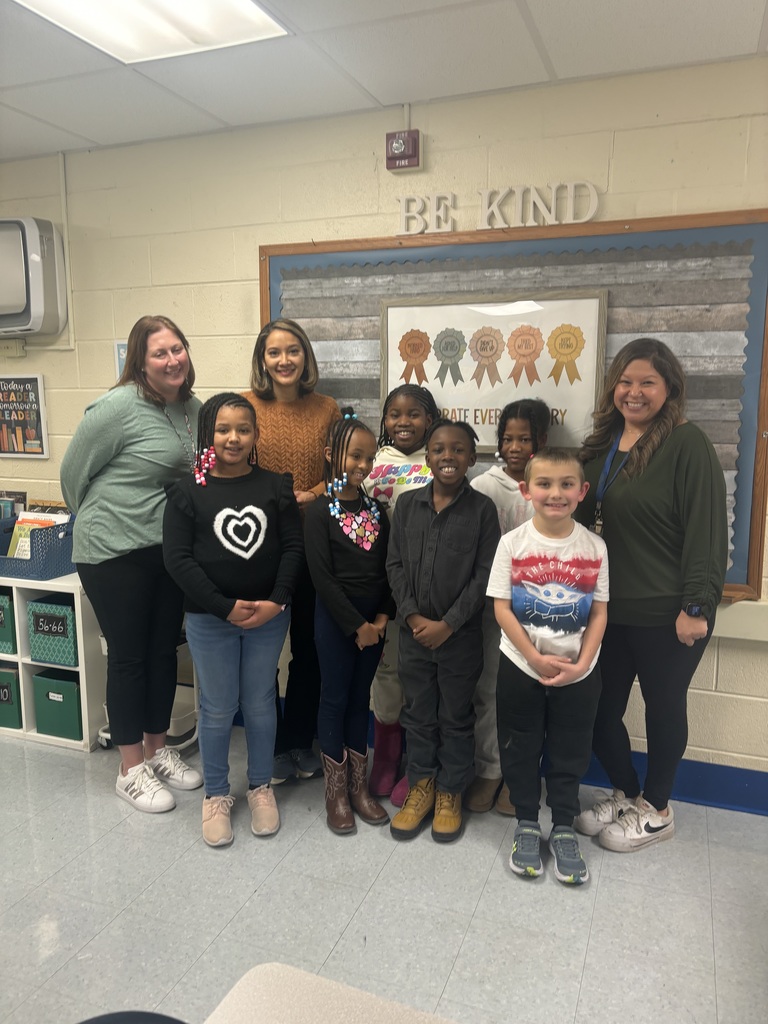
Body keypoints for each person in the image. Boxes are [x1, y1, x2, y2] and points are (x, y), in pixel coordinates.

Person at [574, 337, 727, 852]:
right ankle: (628, 792)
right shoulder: (600, 444)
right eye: (625, 381)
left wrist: (697, 606)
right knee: (598, 709)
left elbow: (707, 531)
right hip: (607, 610)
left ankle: (658, 809)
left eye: (647, 382)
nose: (634, 392)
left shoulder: (687, 444)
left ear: (670, 389)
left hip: (668, 612)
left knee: (663, 708)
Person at [60, 315, 203, 812]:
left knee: (164, 651)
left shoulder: (193, 409)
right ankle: (130, 769)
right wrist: (107, 517)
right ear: (139, 362)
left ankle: (158, 751)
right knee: (128, 656)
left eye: (177, 348)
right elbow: (73, 475)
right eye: (159, 352)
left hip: (166, 550)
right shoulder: (117, 408)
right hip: (111, 550)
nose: (172, 359)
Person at [163, 393, 303, 846]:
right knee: (218, 706)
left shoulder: (275, 486)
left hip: (268, 616)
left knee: (262, 700)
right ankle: (218, 794)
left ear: (255, 435)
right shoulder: (187, 492)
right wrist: (222, 606)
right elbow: (178, 559)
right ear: (209, 435)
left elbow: (292, 549)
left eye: (243, 429)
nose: (233, 438)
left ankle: (261, 787)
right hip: (209, 617)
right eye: (223, 429)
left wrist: (277, 600)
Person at [487, 448, 609, 884]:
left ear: (582, 491)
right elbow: (502, 608)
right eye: (544, 484)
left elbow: (598, 612)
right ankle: (524, 822)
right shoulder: (512, 543)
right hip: (521, 665)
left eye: (565, 484)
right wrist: (534, 656)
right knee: (519, 747)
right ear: (526, 490)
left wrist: (582, 664)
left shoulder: (594, 547)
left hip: (579, 673)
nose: (555, 493)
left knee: (569, 750)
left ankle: (562, 826)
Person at [386, 420, 500, 843]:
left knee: (455, 715)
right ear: (427, 457)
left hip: (460, 639)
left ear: (472, 457)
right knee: (417, 714)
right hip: (413, 636)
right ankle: (422, 785)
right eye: (438, 449)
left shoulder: (482, 511)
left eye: (457, 450)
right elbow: (394, 566)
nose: (447, 457)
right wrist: (415, 618)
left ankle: (451, 789)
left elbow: (485, 576)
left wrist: (448, 624)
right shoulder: (407, 504)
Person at [243, 318, 341, 785]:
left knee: (309, 650)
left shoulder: (327, 409)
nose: (284, 361)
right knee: (262, 653)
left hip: (313, 545)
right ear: (262, 359)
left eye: (293, 351)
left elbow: (344, 472)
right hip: (255, 545)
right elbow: (225, 466)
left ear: (306, 357)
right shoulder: (243, 407)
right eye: (274, 353)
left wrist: (312, 492)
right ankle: (267, 743)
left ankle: (297, 741)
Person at [304, 411, 393, 835]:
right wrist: (357, 625)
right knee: (335, 698)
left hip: (374, 626)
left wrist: (379, 619)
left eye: (369, 457)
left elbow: (389, 571)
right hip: (337, 623)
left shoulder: (379, 511)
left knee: (362, 700)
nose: (362, 465)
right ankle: (335, 793)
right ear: (331, 455)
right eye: (354, 456)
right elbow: (321, 577)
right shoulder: (320, 513)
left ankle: (360, 788)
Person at [468, 398, 550, 815]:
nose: (515, 447)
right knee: (489, 691)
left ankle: (522, 776)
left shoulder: (550, 484)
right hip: (492, 611)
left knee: (529, 695)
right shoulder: (484, 486)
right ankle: (489, 769)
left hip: (540, 612)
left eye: (525, 438)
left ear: (542, 440)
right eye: (508, 438)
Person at [363, 383, 439, 802]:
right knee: (386, 675)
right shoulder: (373, 462)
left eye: (413, 414)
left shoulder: (439, 460)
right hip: (381, 591)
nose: (403, 422)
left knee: (422, 678)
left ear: (430, 419)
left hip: (424, 594)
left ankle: (419, 761)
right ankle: (387, 757)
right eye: (395, 414)